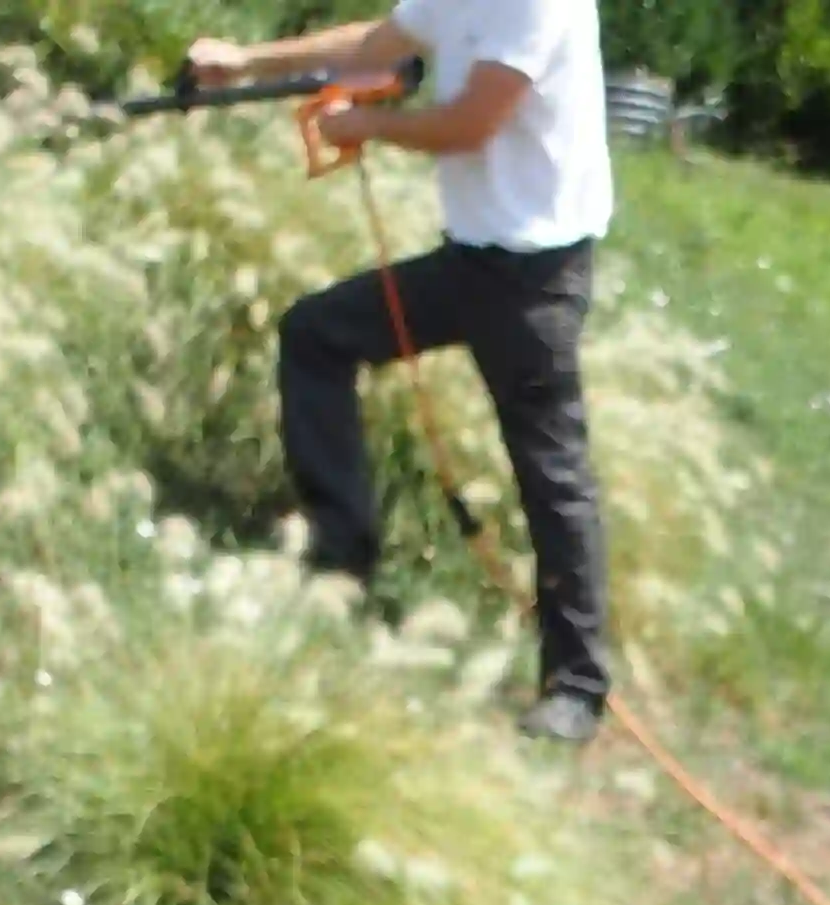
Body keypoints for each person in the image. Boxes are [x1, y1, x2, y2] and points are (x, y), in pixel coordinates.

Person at [186, 0, 617, 744]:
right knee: (315, 336)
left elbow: (472, 122)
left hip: (537, 278)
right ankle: (341, 558)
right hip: (469, 259)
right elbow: (376, 42)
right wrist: (246, 62)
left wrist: (369, 126)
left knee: (551, 472)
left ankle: (577, 686)